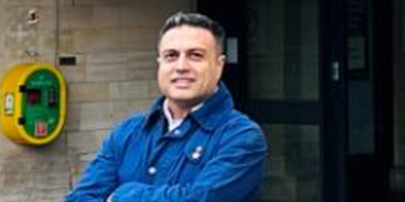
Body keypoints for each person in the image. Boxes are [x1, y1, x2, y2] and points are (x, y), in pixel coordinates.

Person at [65, 12, 267, 202]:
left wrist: (122, 196)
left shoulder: (241, 137)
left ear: (219, 65)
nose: (181, 66)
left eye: (195, 55)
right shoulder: (128, 133)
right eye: (171, 55)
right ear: (160, 63)